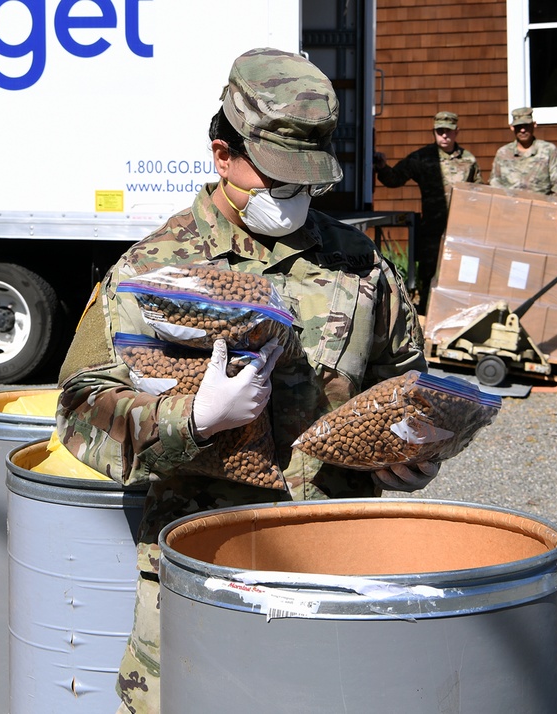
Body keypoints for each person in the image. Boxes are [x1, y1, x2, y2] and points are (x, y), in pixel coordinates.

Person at [55, 47, 438, 714]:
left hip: (332, 575)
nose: (291, 199)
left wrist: (409, 447)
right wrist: (192, 419)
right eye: (276, 178)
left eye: (306, 182)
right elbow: (80, 412)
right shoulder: (151, 268)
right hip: (205, 582)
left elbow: (405, 377)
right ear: (222, 154)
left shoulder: (357, 264)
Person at [373, 110, 483, 312]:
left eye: (448, 131)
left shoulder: (468, 160)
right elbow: (395, 179)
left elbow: (479, 192)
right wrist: (381, 167)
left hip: (461, 231)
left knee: (461, 275)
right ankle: (425, 316)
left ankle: (457, 314)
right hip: (433, 231)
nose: (444, 136)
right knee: (428, 276)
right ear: (433, 132)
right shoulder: (422, 158)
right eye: (440, 131)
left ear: (456, 132)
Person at [489, 106, 557, 197]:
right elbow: (495, 185)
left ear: (534, 125)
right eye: (518, 127)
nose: (522, 130)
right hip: (510, 208)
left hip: (541, 208)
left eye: (526, 126)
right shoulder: (503, 153)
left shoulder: (549, 151)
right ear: (512, 127)